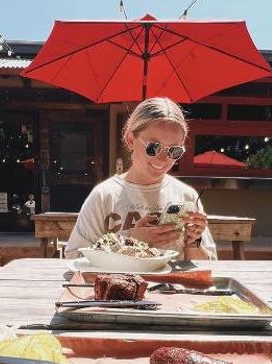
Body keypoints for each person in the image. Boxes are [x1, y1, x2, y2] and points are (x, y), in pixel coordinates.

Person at [64, 97, 215, 260]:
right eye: (153, 147)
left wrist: (192, 242)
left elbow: (207, 264)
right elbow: (75, 258)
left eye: (174, 151)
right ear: (130, 139)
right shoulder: (104, 196)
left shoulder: (187, 196)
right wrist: (133, 244)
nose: (163, 159)